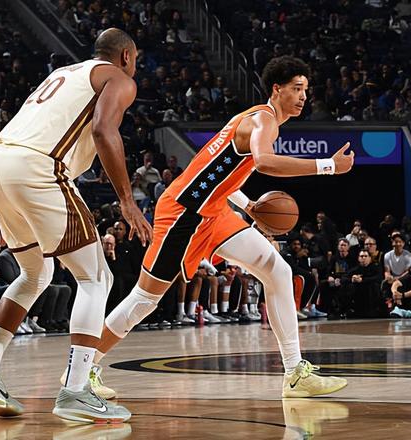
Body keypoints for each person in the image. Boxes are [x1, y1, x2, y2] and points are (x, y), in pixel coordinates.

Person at [95, 55, 354, 399]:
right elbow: (264, 162)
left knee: (277, 271)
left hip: (214, 212)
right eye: (296, 88)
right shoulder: (264, 120)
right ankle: (83, 368)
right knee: (145, 300)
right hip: (184, 213)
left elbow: (216, 172)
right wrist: (327, 166)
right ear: (276, 89)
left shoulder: (249, 118)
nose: (303, 96)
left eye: (306, 89)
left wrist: (248, 206)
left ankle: (295, 373)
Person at [0, 29, 151, 424]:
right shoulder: (118, 78)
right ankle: (76, 391)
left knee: (35, 274)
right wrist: (127, 200)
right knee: (96, 277)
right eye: (135, 59)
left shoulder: (65, 72)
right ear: (126, 56)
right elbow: (103, 130)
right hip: (39, 167)